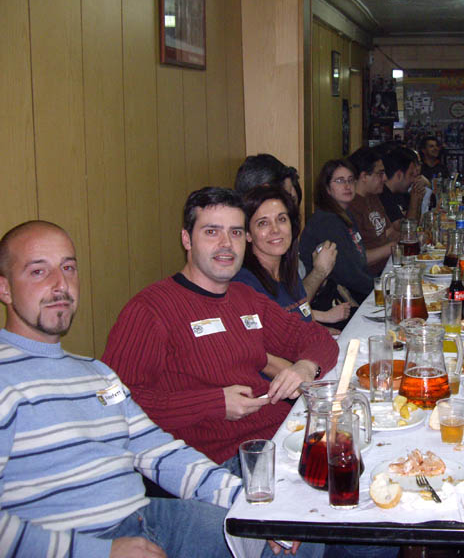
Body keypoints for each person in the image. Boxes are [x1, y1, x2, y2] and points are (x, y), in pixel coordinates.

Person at [0, 220, 299, 558]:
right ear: (5, 289)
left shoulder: (98, 376)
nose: (60, 284)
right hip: (75, 542)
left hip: (146, 518)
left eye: (68, 268)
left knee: (290, 532)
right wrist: (100, 552)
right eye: (38, 272)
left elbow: (159, 452)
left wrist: (250, 504)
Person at [103, 187, 338, 466]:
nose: (226, 244)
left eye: (235, 232)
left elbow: (317, 337)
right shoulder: (150, 309)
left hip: (279, 434)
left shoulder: (245, 297)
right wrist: (213, 404)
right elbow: (113, 403)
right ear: (186, 239)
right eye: (212, 232)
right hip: (219, 460)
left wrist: (306, 367)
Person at [233, 185, 352, 328]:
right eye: (263, 223)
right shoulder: (244, 284)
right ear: (248, 234)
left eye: (282, 219)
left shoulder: (288, 273)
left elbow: (301, 320)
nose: (275, 230)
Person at [299, 160, 374, 303]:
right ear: (327, 188)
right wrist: (381, 287)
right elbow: (348, 274)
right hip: (328, 299)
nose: (347, 186)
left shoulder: (345, 213)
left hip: (351, 291)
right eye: (340, 181)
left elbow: (358, 261)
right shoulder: (326, 221)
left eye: (350, 180)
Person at [348, 147, 397, 274]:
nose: (385, 178)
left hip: (390, 266)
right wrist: (393, 247)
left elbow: (390, 232)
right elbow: (358, 258)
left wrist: (411, 237)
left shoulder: (373, 196)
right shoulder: (351, 206)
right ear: (364, 176)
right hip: (371, 277)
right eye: (380, 173)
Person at [379, 145, 426, 224]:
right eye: (411, 174)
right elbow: (406, 229)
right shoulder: (383, 196)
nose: (414, 180)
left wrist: (419, 200)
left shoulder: (403, 194)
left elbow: (416, 224)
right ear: (399, 175)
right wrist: (414, 202)